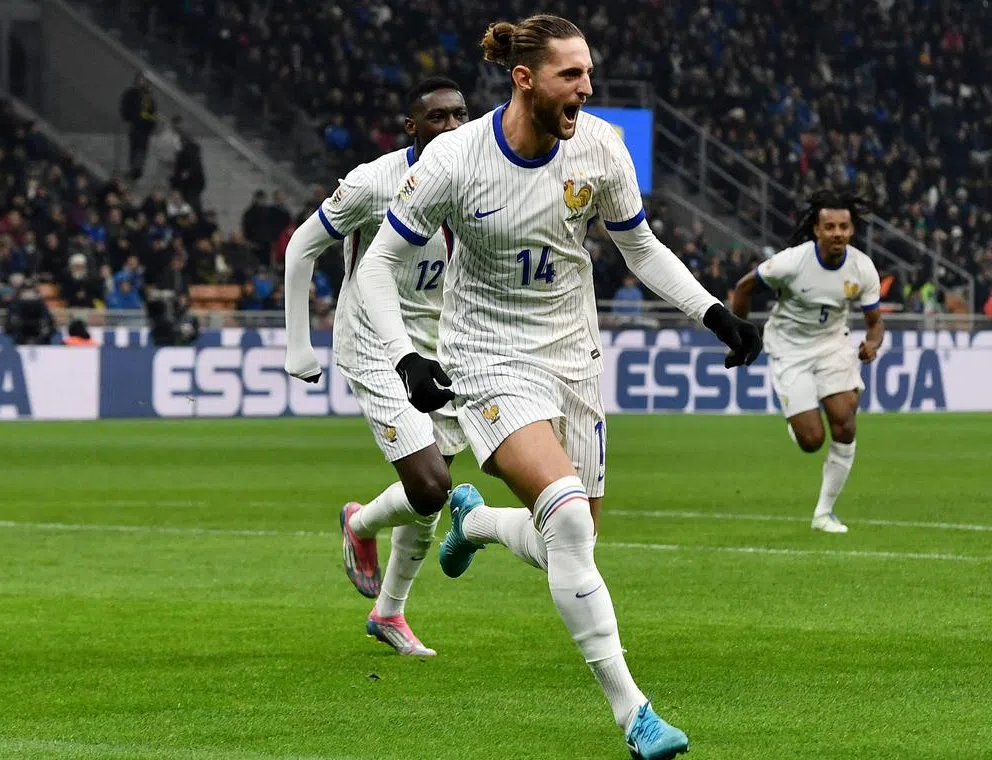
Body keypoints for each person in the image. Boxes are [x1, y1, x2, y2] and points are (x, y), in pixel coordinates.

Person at [356, 15, 762, 759]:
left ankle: (476, 526)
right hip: (485, 356)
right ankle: (635, 714)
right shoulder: (455, 159)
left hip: (573, 356)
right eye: (570, 75)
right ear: (525, 79)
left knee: (574, 543)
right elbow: (379, 263)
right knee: (569, 521)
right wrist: (407, 355)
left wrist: (711, 312)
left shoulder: (601, 147)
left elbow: (639, 246)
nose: (587, 87)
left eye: (588, 73)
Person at [282, 77, 473, 657]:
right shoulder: (371, 183)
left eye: (460, 115)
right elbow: (301, 247)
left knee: (429, 496)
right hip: (373, 342)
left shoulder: (481, 178)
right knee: (431, 483)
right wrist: (298, 344)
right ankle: (361, 526)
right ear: (411, 128)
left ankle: (388, 613)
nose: (452, 127)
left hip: (440, 345)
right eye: (437, 118)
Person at [731, 189, 885, 534]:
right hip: (789, 347)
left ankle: (823, 514)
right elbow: (743, 288)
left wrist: (872, 345)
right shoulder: (791, 262)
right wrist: (738, 335)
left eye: (843, 227)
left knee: (845, 422)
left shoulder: (862, 268)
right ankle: (799, 421)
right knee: (812, 440)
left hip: (833, 345)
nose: (837, 233)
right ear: (816, 230)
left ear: (851, 230)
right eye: (829, 226)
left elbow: (875, 323)